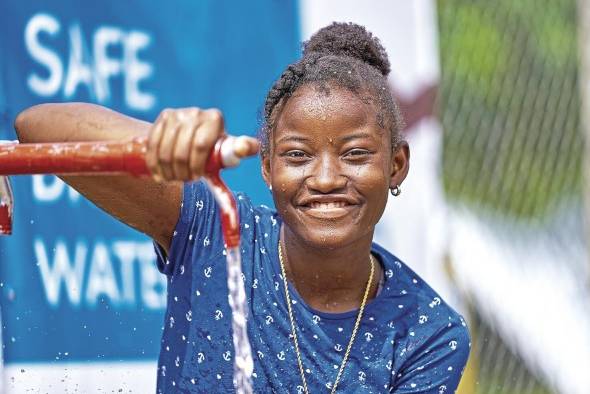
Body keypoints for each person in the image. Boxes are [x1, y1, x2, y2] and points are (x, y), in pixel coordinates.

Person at [15, 22, 470, 393]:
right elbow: (38, 128)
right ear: (268, 168)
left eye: (355, 154)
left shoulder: (428, 334)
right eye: (297, 155)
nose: (327, 179)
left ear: (396, 165)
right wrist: (155, 142)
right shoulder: (215, 232)